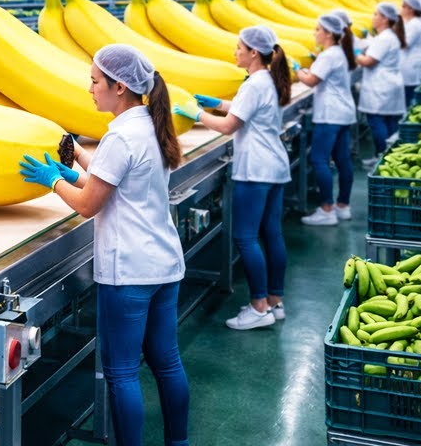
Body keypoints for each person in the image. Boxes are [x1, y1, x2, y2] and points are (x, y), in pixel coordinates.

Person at [19, 44, 189, 446]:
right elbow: (116, 185)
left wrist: (52, 182)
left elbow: (88, 205)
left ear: (118, 87)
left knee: (122, 372)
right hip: (164, 265)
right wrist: (75, 160)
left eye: (95, 81)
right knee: (167, 362)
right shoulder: (152, 124)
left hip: (129, 273)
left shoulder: (120, 137)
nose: (90, 88)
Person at [173, 26, 290, 330]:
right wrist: (215, 104)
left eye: (239, 47)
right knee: (271, 233)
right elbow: (243, 111)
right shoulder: (267, 79)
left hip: (256, 170)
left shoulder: (254, 84)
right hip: (274, 165)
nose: (235, 52)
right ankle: (275, 301)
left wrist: (195, 114)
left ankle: (258, 306)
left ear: (253, 52)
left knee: (245, 236)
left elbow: (228, 127)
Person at [297, 12, 358, 226]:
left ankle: (326, 209)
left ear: (329, 33)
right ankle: (343, 206)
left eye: (318, 30)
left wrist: (297, 71)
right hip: (343, 113)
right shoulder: (338, 52)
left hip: (330, 115)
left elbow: (311, 81)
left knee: (319, 160)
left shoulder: (329, 54)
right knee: (342, 159)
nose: (315, 33)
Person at [357, 3, 407, 166]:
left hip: (381, 87)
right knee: (389, 122)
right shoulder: (388, 36)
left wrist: (355, 51)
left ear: (385, 19)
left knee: (377, 122)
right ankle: (390, 157)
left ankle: (382, 157)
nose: (373, 17)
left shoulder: (385, 38)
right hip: (389, 85)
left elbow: (368, 62)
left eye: (376, 14)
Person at [400, 0, 421, 105]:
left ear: (411, 9)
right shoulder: (410, 23)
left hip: (411, 65)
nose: (401, 9)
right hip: (409, 63)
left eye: (403, 6)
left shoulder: (414, 24)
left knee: (409, 97)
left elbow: (405, 44)